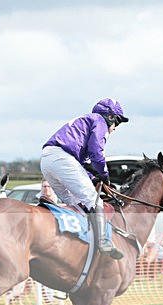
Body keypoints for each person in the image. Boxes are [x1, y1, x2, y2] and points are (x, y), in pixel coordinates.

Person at [41, 98, 129, 259]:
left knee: (74, 203)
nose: (115, 128)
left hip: (47, 161)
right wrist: (104, 175)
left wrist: (93, 179)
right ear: (109, 116)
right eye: (117, 122)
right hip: (62, 159)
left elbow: (77, 167)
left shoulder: (86, 122)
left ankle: (75, 242)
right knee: (94, 201)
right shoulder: (99, 121)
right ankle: (104, 242)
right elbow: (97, 152)